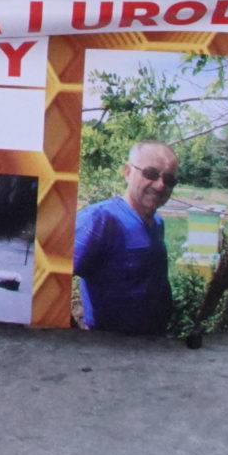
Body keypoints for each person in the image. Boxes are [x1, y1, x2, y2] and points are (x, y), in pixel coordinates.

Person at [73, 140, 179, 334]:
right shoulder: (99, 219)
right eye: (151, 174)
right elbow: (47, 280)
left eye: (169, 179)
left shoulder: (157, 223)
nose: (160, 185)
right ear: (128, 172)